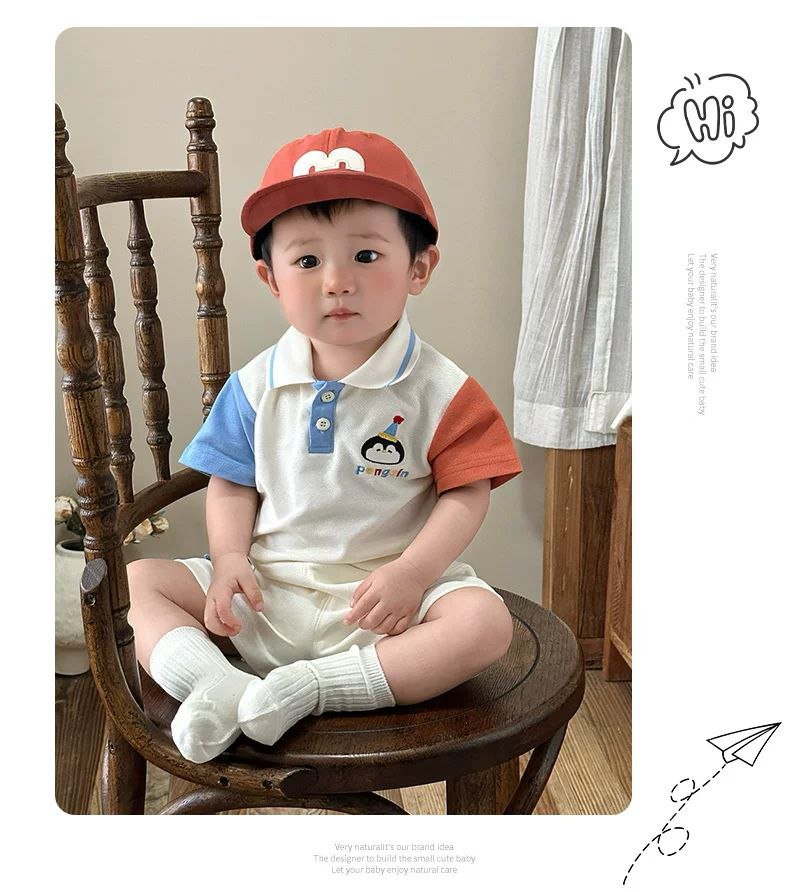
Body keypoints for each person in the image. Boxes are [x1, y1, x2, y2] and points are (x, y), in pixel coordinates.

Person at [127, 127, 523, 764]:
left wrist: (413, 574)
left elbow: (467, 494)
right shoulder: (254, 385)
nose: (337, 281)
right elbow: (231, 483)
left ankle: (317, 689)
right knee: (137, 580)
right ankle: (214, 683)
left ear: (419, 268)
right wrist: (228, 559)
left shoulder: (443, 391)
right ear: (271, 278)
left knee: (484, 624)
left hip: (385, 603)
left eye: (365, 255)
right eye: (308, 262)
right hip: (266, 590)